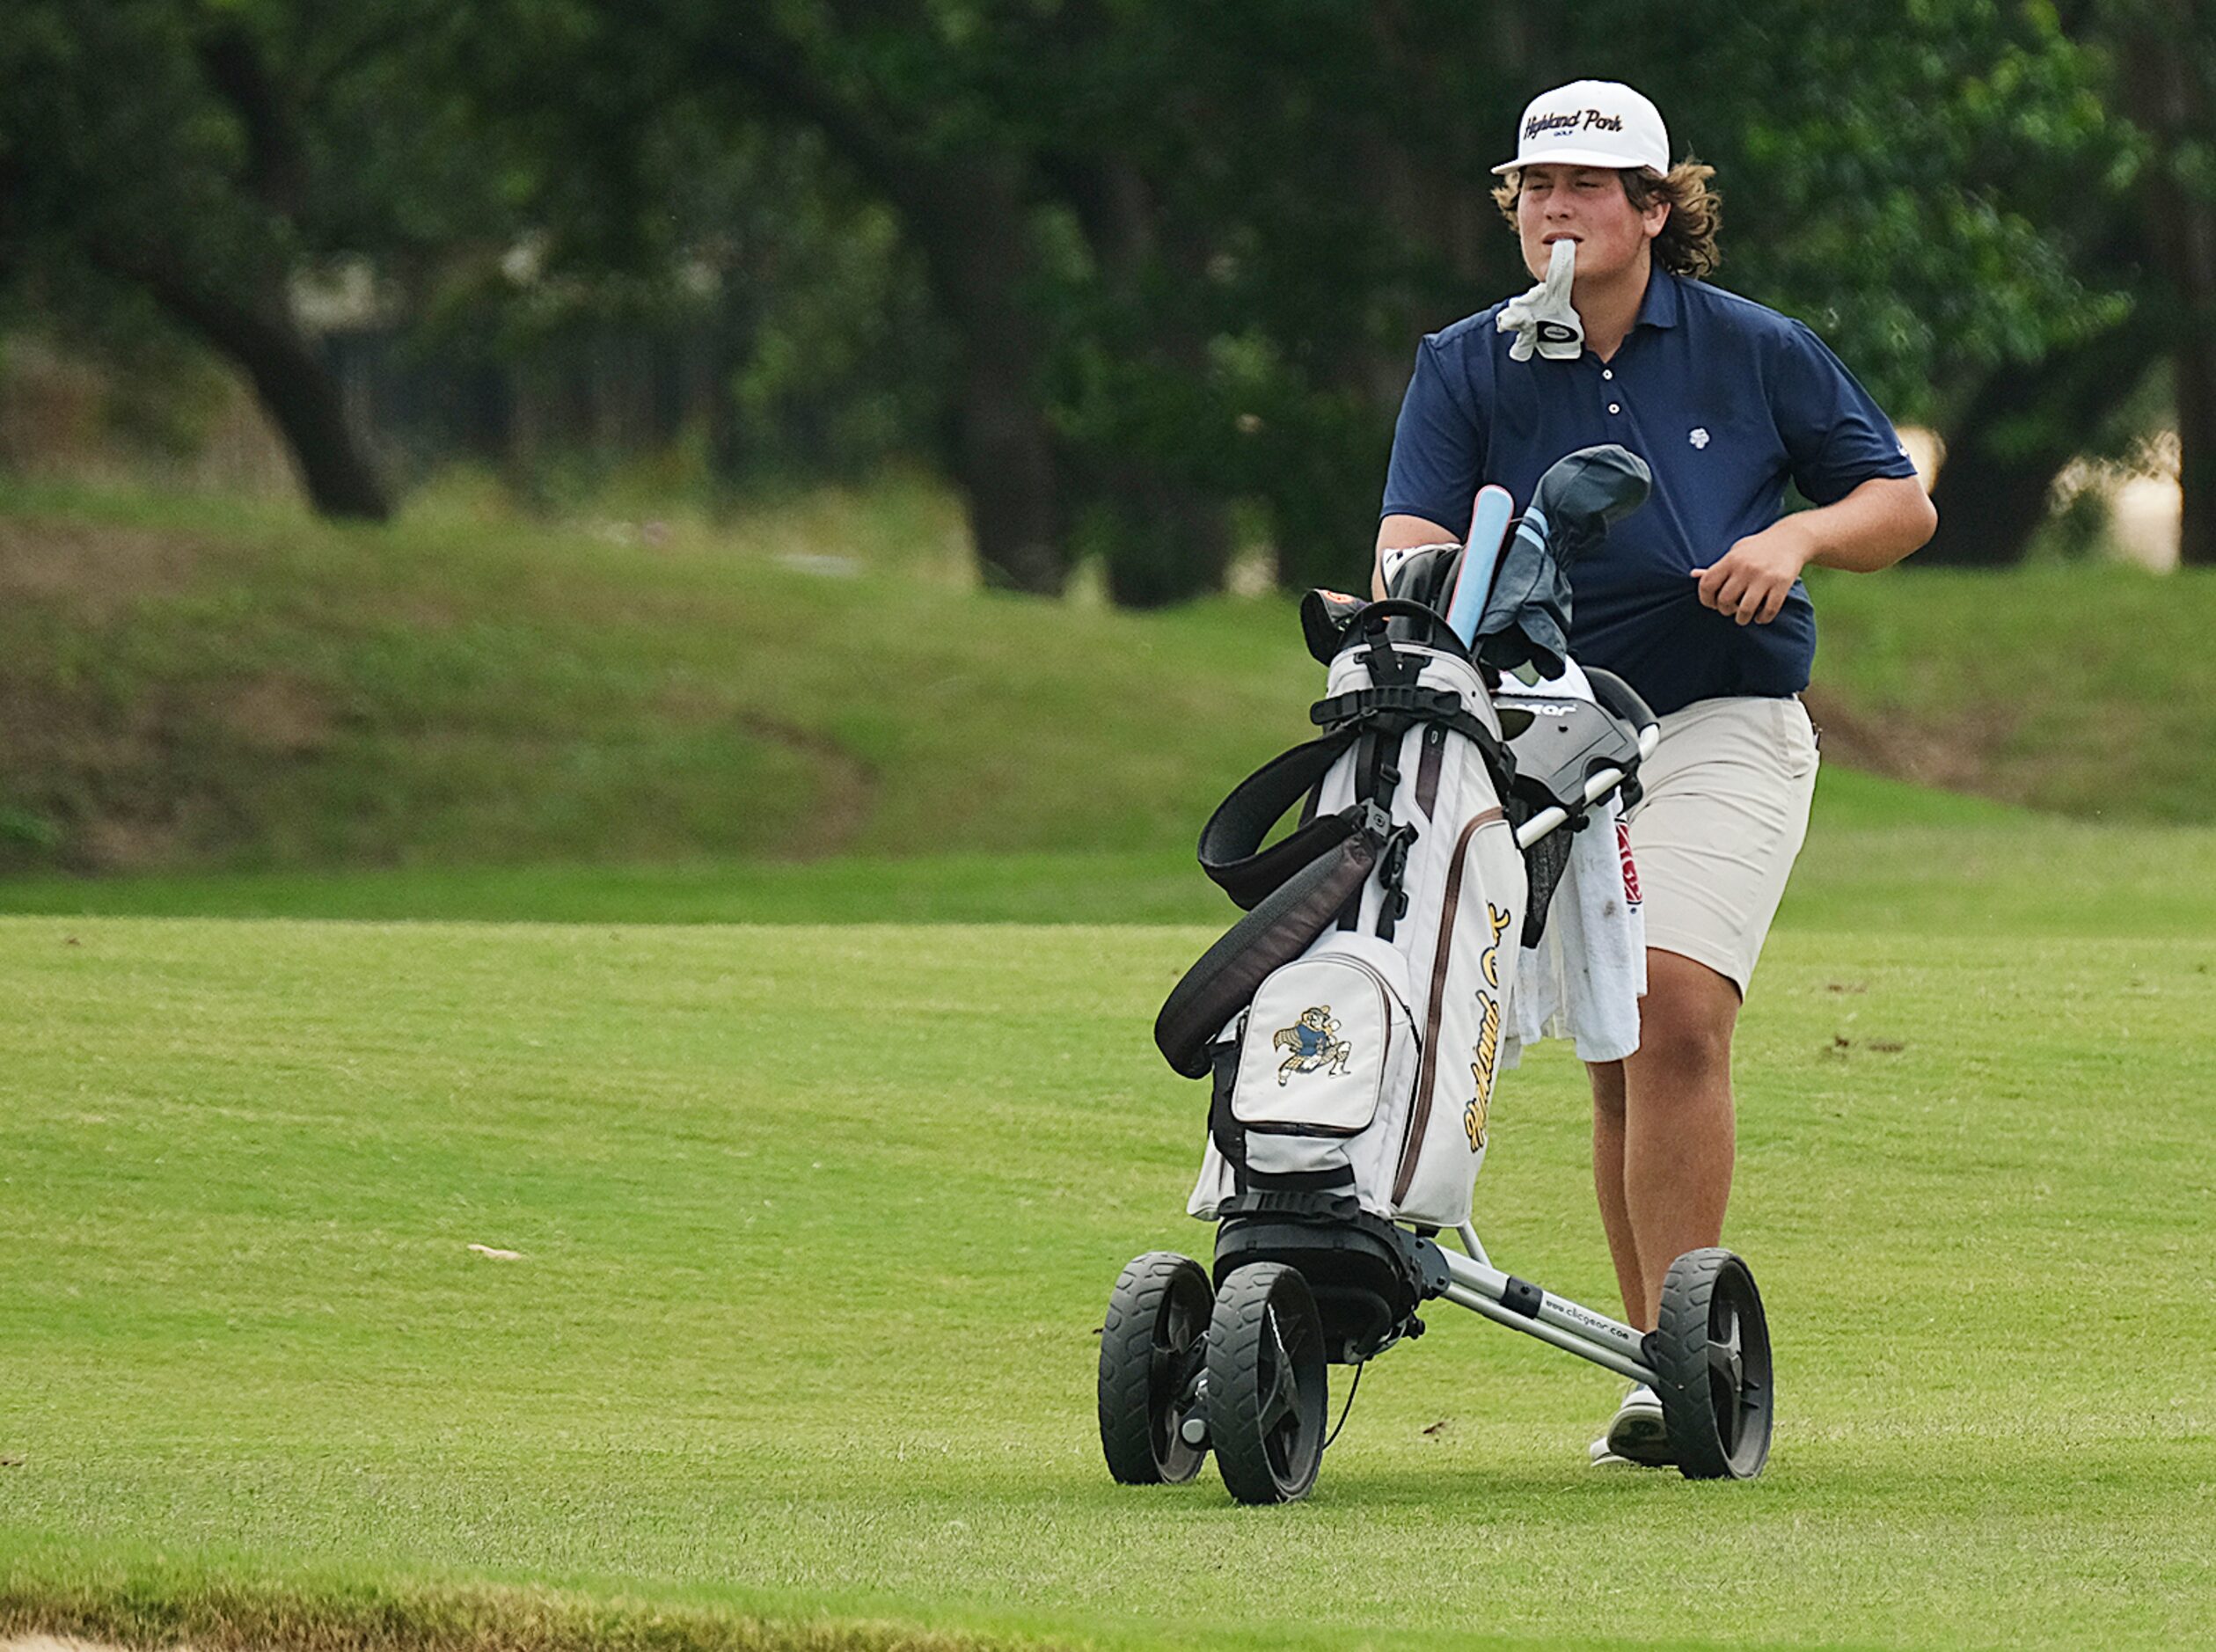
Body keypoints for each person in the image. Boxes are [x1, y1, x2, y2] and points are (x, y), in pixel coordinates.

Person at [1373, 80, 1935, 1466]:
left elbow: (1900, 500)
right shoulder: (1469, 359)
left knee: (1675, 1006)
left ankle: (1682, 1364)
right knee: (1621, 1046)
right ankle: (1662, 1367)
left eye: (1584, 189)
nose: (1553, 211)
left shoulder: (1754, 347)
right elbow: (1410, 531)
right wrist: (1413, 590)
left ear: (1653, 209)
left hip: (1721, 715)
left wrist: (1796, 543)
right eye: (1533, 191)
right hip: (1541, 733)